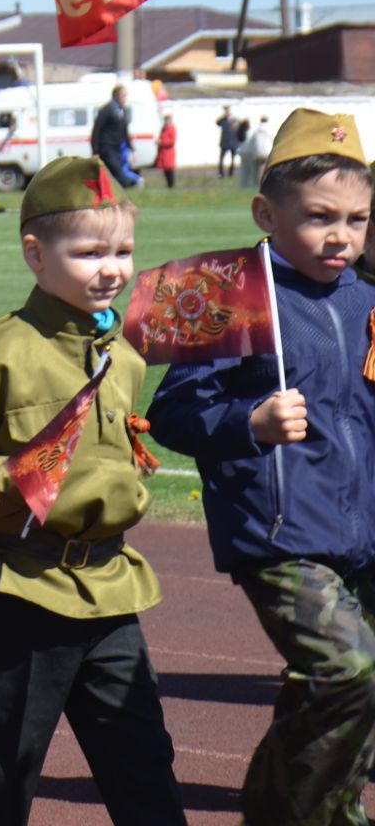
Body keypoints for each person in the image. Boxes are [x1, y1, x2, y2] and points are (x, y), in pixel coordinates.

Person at [0, 156, 186, 825]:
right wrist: (9, 481)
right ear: (35, 255)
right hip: (23, 590)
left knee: (143, 765)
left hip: (110, 588)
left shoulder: (120, 354)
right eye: (90, 251)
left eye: (123, 251)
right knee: (2, 769)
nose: (112, 269)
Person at [148, 111, 375, 824]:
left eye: (358, 220)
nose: (340, 236)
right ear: (265, 214)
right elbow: (174, 413)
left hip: (361, 531)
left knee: (338, 684)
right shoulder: (228, 295)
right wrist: (249, 425)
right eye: (318, 218)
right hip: (278, 531)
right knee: (349, 670)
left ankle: (277, 806)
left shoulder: (368, 298)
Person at [90, 85, 139, 188]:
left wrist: (132, 149)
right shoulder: (106, 110)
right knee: (119, 175)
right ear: (116, 96)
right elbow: (96, 131)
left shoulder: (122, 111)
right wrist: (95, 151)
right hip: (107, 148)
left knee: (112, 177)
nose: (125, 98)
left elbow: (125, 131)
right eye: (123, 96)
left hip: (118, 148)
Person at [242, 114, 275, 188]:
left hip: (258, 152)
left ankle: (259, 183)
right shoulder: (270, 129)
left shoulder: (256, 130)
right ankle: (264, 183)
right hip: (267, 151)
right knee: (267, 168)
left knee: (259, 168)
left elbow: (252, 141)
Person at [155, 112, 178, 190]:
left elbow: (172, 141)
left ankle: (171, 184)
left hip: (169, 152)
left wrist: (162, 142)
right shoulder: (163, 129)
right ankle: (168, 184)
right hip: (163, 152)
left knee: (170, 169)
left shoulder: (172, 129)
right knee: (165, 170)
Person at [217, 106, 240, 178]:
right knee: (221, 159)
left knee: (232, 160)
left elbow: (238, 127)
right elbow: (217, 123)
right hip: (224, 143)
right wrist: (223, 116)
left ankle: (231, 173)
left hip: (233, 143)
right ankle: (221, 173)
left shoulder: (235, 120)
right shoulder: (223, 120)